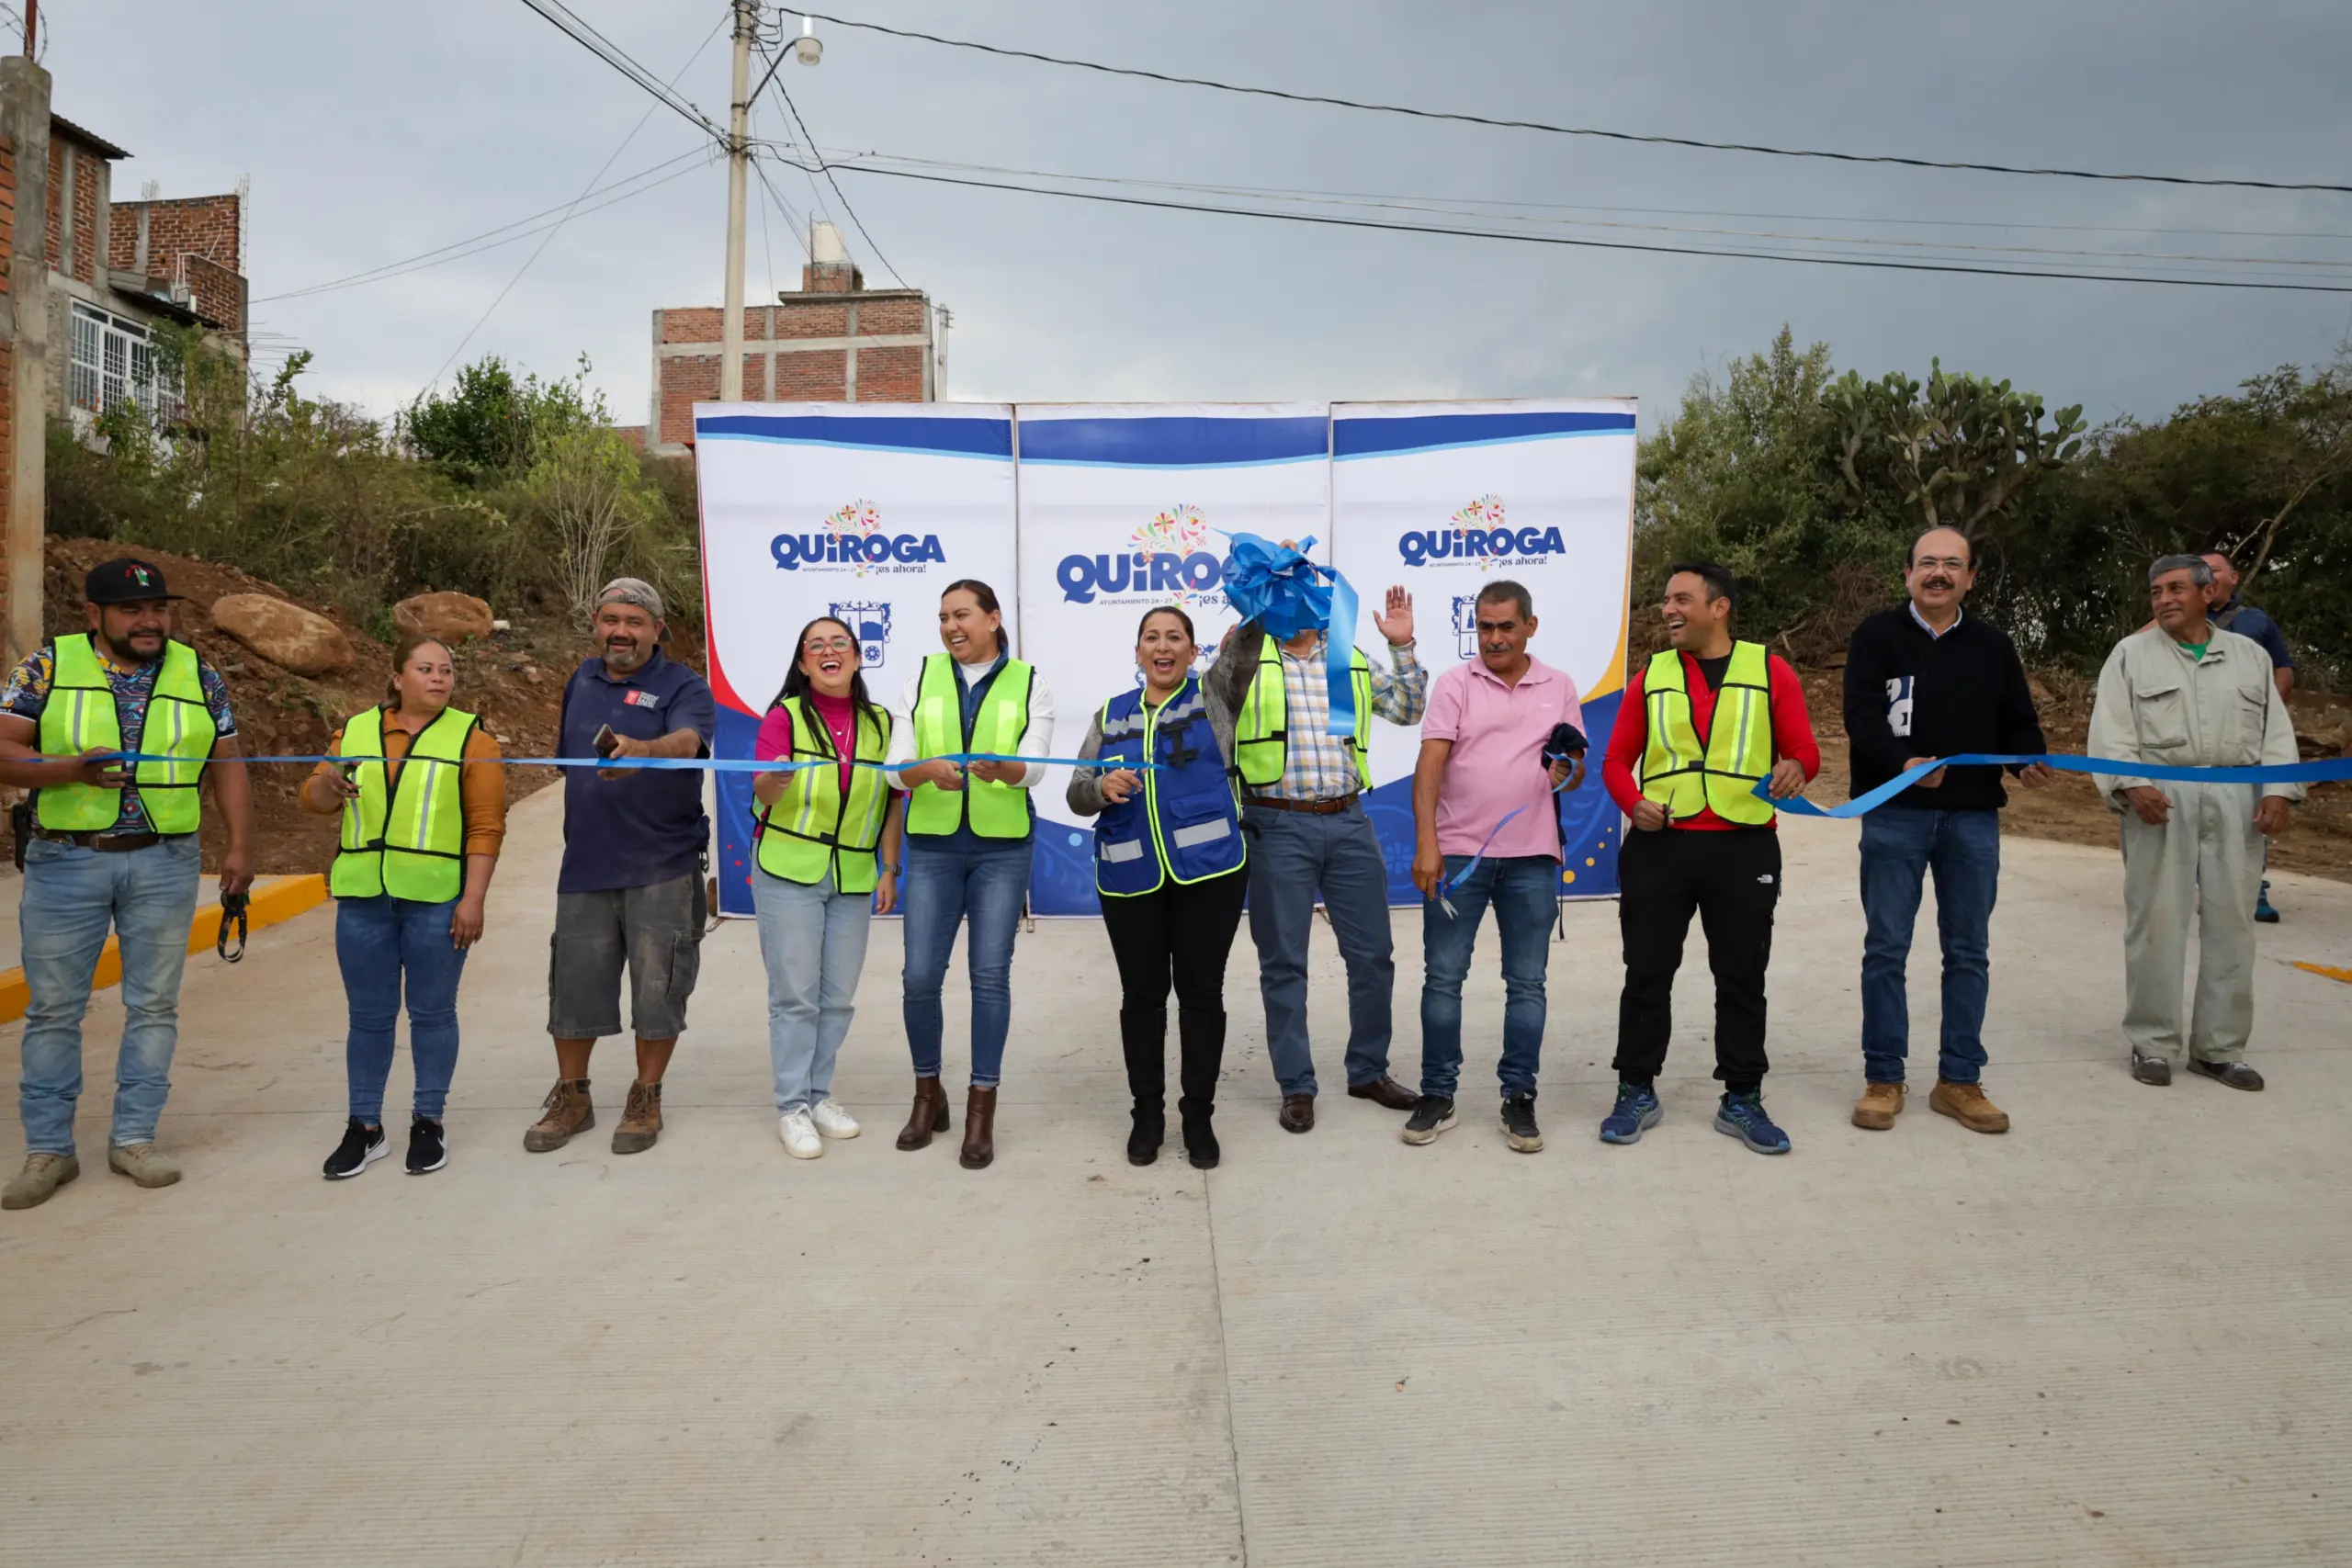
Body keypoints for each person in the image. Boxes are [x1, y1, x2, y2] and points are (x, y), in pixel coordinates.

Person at [0, 558, 254, 1210]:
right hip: (67, 860)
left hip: (166, 861)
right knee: (54, 1010)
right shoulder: (46, 668)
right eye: (132, 610)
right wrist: (70, 770)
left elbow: (227, 762)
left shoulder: (198, 672)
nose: (149, 621)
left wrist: (239, 846)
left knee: (154, 1006)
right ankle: (49, 1151)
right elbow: (4, 751)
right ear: (94, 614)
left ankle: (135, 1139)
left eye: (158, 609)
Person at [1599, 562, 1818, 1156]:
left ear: (1718, 608)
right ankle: (1635, 1088)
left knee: (1742, 975)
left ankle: (1742, 1096)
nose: (1668, 609)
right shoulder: (1651, 676)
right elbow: (1616, 762)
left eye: (1681, 599)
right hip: (1660, 846)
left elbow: (1804, 749)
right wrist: (1634, 804)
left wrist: (1796, 767)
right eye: (1666, 600)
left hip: (1744, 844)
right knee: (1647, 972)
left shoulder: (1770, 670)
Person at [1841, 528, 2054, 1136]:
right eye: (1928, 562)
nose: (1939, 573)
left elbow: (2018, 722)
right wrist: (1901, 763)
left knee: (1968, 951)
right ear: (1908, 572)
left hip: (1972, 819)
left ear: (1970, 578)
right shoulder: (1876, 637)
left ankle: (1959, 1079)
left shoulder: (1993, 646)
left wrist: (2027, 759)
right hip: (1894, 815)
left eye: (1952, 564)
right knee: (1887, 948)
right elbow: (1860, 716)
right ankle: (1884, 1077)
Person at [1204, 564, 1426, 1134]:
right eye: (1282, 586)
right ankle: (1296, 1085)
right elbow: (1211, 709)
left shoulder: (1346, 655)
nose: (1295, 596)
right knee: (1284, 962)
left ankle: (1368, 1070)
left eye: (1303, 584)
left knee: (1373, 955)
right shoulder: (1246, 653)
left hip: (1349, 821)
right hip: (1275, 824)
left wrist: (1401, 647)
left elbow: (1407, 710)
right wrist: (1240, 636)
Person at [2090, 555, 2300, 1091]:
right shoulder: (2131, 654)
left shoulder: (2250, 656)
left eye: (2176, 589)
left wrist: (2279, 791)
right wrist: (2131, 784)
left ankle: (2220, 1050)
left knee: (2233, 924)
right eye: (2156, 591)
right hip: (2160, 799)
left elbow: (2276, 732)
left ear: (2208, 594)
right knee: (2156, 922)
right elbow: (2111, 729)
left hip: (2236, 797)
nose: (2163, 600)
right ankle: (2152, 1043)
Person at [301, 636, 507, 1179]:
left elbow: (486, 826)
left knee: (432, 1014)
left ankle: (428, 1121)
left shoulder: (473, 739)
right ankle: (364, 1127)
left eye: (447, 670)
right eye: (426, 669)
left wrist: (474, 898)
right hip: (363, 899)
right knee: (368, 1018)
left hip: (436, 899)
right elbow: (313, 800)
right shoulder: (354, 731)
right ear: (397, 678)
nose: (439, 678)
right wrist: (328, 782)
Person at [526, 578, 716, 1156]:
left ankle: (645, 1097)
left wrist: (643, 752)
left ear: (657, 630)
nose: (621, 632)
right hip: (585, 864)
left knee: (659, 992)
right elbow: (570, 766)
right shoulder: (580, 680)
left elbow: (689, 741)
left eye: (634, 622)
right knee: (572, 991)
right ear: (596, 624)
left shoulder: (684, 685)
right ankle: (572, 1098)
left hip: (662, 865)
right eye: (611, 620)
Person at [1404, 581, 1585, 1154]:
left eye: (1507, 626)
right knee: (1443, 978)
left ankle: (1519, 1097)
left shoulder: (1559, 685)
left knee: (1527, 984)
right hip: (1459, 857)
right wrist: (1427, 842)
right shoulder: (1456, 684)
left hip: (1532, 857)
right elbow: (1429, 765)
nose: (1495, 638)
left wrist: (1566, 772)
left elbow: (1575, 765)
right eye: (1485, 627)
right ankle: (1438, 1094)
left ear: (1530, 626)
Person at [1068, 606, 1250, 1170]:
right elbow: (1076, 793)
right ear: (1138, 651)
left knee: (1201, 997)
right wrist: (1102, 787)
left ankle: (1198, 1116)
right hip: (1130, 878)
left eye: (1175, 638)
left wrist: (1262, 595)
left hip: (1210, 874)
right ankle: (1146, 1115)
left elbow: (1248, 647)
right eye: (1152, 637)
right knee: (1142, 999)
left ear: (1194, 652)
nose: (1163, 647)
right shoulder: (1109, 715)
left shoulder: (1214, 697)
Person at [887, 579, 1055, 1170]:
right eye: (943, 617)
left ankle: (981, 1108)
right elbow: (893, 769)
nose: (951, 627)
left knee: (989, 977)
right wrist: (924, 769)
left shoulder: (1030, 682)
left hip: (1001, 850)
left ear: (993, 618)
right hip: (934, 847)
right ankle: (927, 1097)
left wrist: (1006, 770)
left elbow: (1036, 767)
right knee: (919, 978)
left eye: (961, 615)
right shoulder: (919, 677)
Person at [751, 615, 902, 1160]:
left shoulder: (882, 724)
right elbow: (763, 791)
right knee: (795, 996)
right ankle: (792, 1105)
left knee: (836, 998)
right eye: (815, 645)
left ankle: (819, 1095)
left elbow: (893, 800)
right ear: (802, 663)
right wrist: (776, 779)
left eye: (840, 642)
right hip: (788, 869)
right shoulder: (784, 718)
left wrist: (889, 868)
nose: (828, 651)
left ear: (858, 657)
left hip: (854, 875)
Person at [2200, 551, 2295, 923]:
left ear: (2234, 577)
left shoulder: (2256, 621)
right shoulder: (2178, 618)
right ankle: (2205, 883)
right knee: (2194, 810)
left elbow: (2283, 668)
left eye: (2213, 569)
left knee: (2247, 813)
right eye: (2199, 571)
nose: (2206, 575)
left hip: (2245, 735)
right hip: (2193, 734)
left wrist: (2270, 712)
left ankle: (2253, 889)